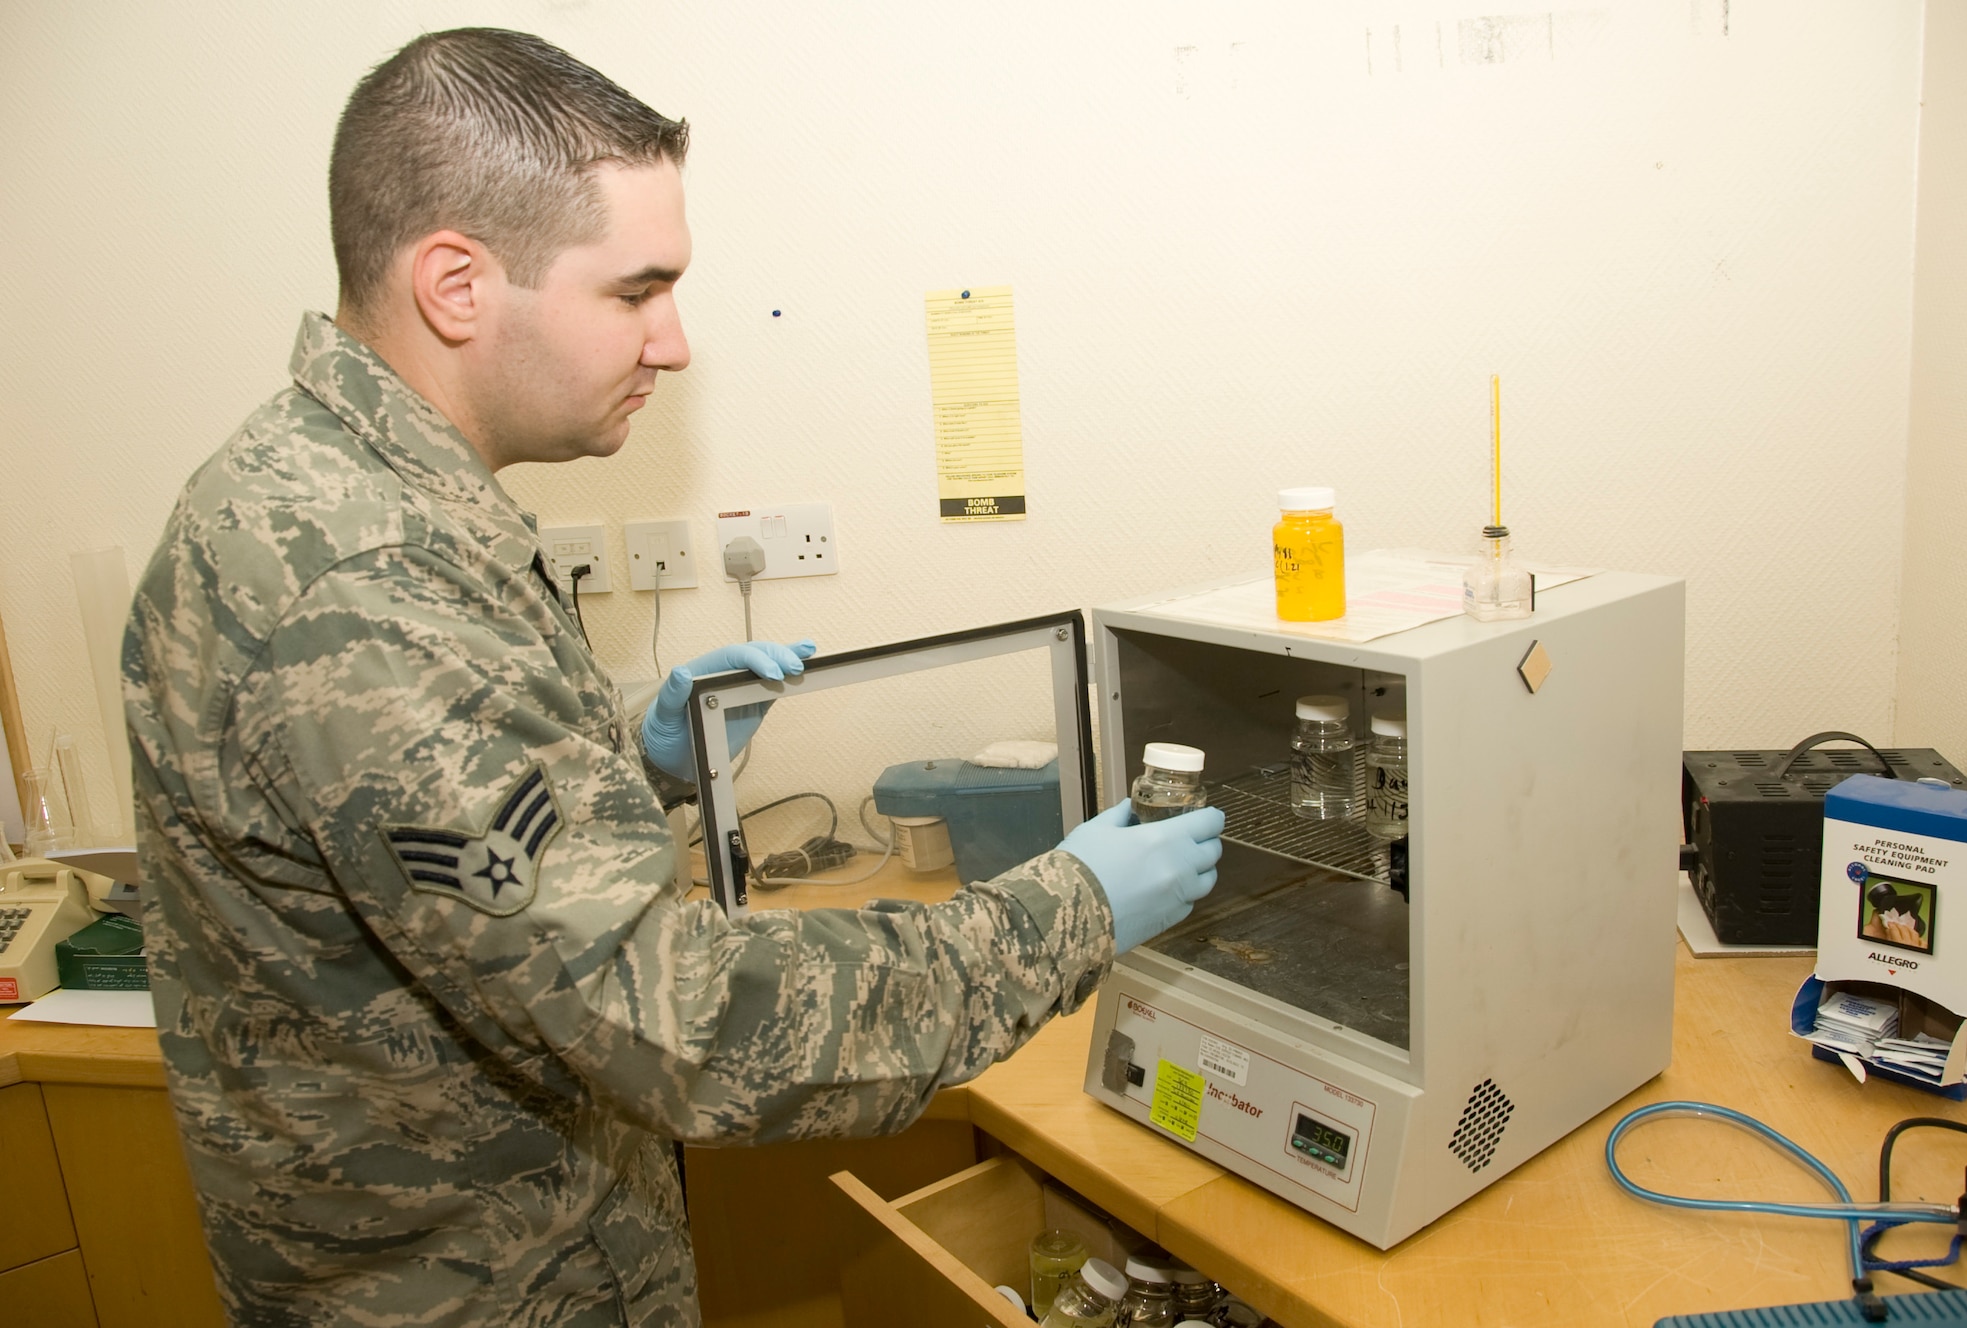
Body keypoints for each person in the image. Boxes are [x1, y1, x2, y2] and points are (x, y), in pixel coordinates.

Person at [124, 27, 1225, 1328]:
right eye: (636, 291)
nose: (677, 343)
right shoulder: (369, 586)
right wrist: (1066, 912)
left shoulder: (325, 495)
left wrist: (623, 760)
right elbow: (681, 1021)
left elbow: (429, 856)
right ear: (458, 285)